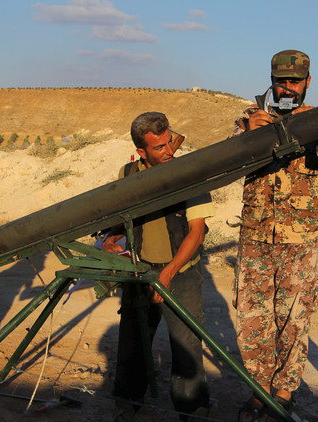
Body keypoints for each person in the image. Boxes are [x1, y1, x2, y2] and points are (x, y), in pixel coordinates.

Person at [231, 50, 318, 421]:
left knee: (294, 318)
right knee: (252, 318)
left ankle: (284, 392)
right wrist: (249, 135)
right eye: (280, 81)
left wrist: (317, 132)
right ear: (271, 81)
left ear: (307, 82)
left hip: (298, 243)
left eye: (294, 82)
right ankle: (259, 391)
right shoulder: (249, 119)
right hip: (256, 238)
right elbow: (225, 161)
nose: (287, 88)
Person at [103, 112, 212, 421]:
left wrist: (168, 273)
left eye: (170, 142)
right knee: (132, 346)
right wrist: (110, 240)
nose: (170, 151)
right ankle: (126, 407)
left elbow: (197, 232)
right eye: (160, 147)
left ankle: (194, 413)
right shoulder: (127, 174)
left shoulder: (188, 172)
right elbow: (122, 218)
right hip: (140, 272)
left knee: (187, 349)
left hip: (181, 274)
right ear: (141, 151)